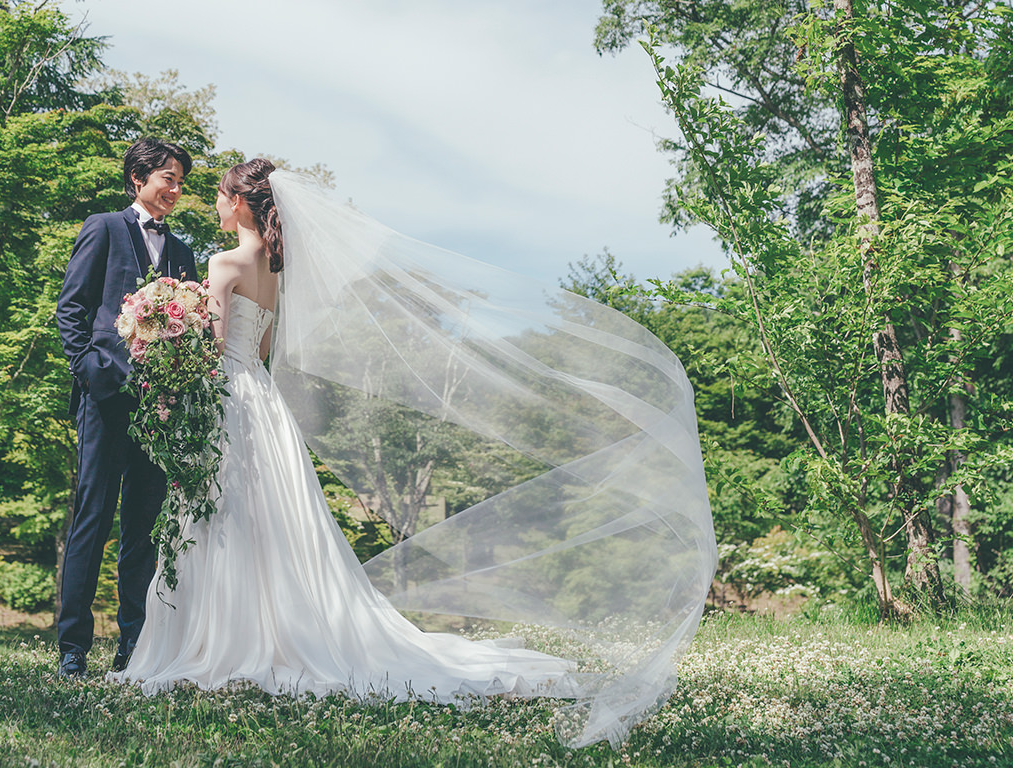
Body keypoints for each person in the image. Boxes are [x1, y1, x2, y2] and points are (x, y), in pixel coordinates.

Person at [110, 159, 717, 748]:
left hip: (227, 400)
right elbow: (262, 347)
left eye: (219, 194)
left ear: (240, 201)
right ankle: (269, 631)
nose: (213, 203)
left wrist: (165, 346)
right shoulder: (275, 270)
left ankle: (220, 641)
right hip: (262, 403)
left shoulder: (223, 264)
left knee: (223, 515)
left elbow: (215, 352)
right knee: (272, 521)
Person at [54, 138, 200, 678]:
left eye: (181, 181)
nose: (176, 189)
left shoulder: (183, 252)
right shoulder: (104, 228)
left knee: (142, 525)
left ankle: (132, 643)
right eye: (168, 178)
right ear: (139, 178)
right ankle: (73, 646)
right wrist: (90, 371)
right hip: (105, 399)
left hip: (159, 410)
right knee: (91, 519)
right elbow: (71, 308)